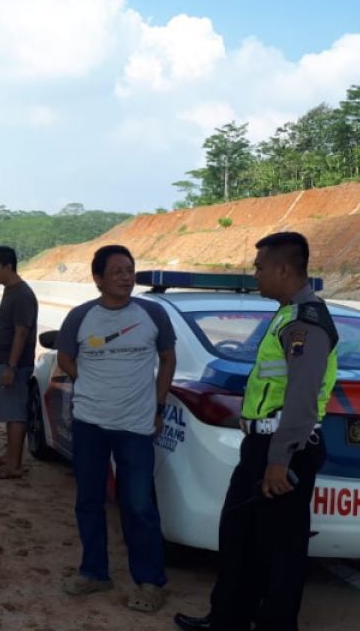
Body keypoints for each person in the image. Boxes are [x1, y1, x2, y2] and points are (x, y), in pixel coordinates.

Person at [175, 232, 337, 631]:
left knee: (279, 551)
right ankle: (228, 619)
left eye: (260, 267)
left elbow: (300, 398)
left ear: (283, 269)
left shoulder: (306, 323)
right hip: (263, 445)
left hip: (284, 448)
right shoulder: (286, 315)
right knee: (240, 540)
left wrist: (279, 461)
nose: (255, 274)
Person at [58, 244, 175, 614]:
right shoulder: (80, 317)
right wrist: (90, 385)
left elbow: (168, 358)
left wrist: (157, 404)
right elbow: (65, 358)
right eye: (117, 271)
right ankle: (94, 572)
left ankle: (150, 582)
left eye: (130, 270)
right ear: (97, 278)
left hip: (136, 427)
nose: (126, 277)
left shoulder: (152, 313)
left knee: (139, 506)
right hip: (90, 423)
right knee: (88, 501)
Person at [0, 245, 38, 480]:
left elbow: (21, 333)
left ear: (8, 266)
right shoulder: (10, 290)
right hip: (3, 362)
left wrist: (11, 367)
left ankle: (13, 465)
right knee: (9, 411)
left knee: (15, 415)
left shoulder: (22, 294)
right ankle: (9, 456)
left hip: (13, 364)